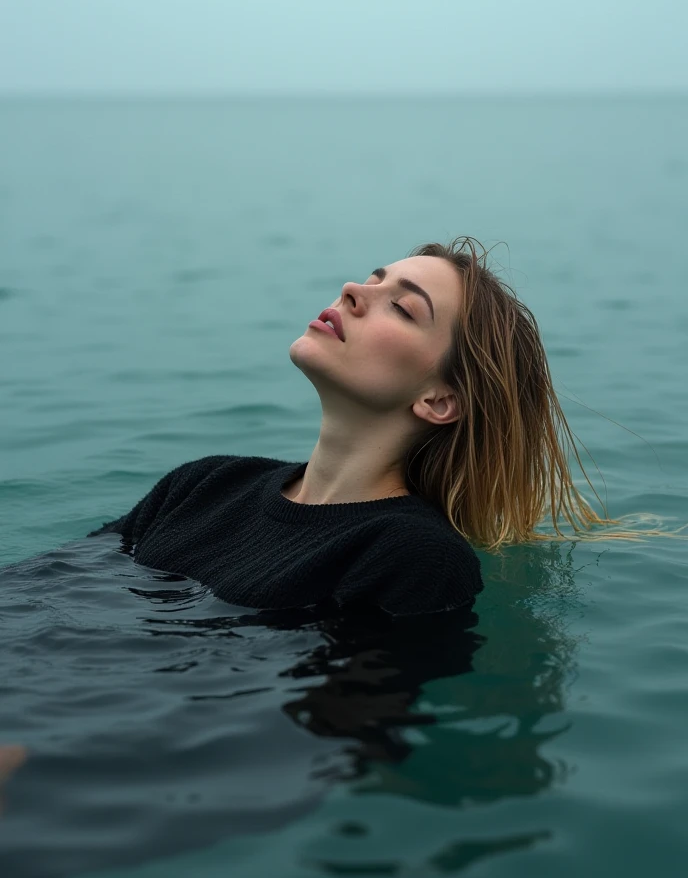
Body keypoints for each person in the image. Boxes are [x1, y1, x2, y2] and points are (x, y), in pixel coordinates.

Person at [84, 236, 655, 619]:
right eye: (373, 280)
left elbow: (319, 741)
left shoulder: (413, 558)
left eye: (404, 309)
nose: (354, 291)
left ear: (439, 400)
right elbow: (46, 593)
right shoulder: (204, 484)